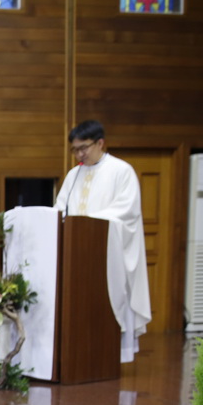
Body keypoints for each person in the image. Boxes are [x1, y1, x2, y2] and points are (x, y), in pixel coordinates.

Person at [52, 119, 152, 363]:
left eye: (84, 147)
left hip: (109, 254)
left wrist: (85, 222)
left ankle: (109, 355)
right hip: (78, 255)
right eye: (75, 149)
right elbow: (60, 209)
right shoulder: (73, 175)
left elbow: (126, 211)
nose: (80, 154)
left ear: (100, 143)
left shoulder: (121, 171)